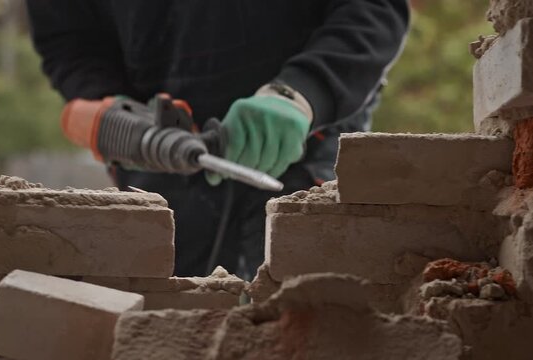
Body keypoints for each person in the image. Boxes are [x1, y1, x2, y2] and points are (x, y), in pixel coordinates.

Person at [25, 1, 410, 279]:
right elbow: (69, 39)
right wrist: (110, 103)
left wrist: (305, 91)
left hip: (302, 140)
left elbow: (374, 8)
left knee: (306, 320)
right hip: (158, 158)